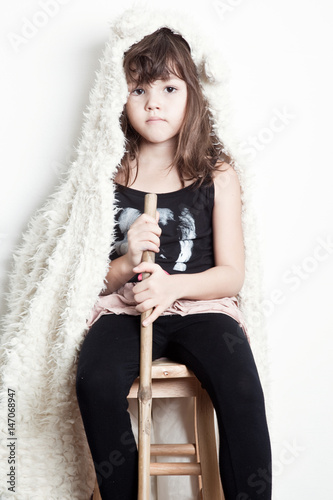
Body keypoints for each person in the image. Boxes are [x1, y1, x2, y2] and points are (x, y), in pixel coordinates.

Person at [75, 26, 272, 500]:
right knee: (94, 381)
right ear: (119, 99)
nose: (153, 103)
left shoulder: (216, 174)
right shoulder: (110, 173)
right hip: (128, 307)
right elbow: (82, 277)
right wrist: (124, 260)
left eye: (169, 88)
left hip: (200, 307)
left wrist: (174, 288)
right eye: (139, 89)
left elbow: (232, 274)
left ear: (193, 96)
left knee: (241, 386)